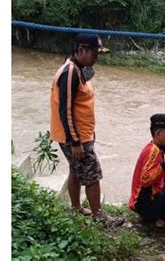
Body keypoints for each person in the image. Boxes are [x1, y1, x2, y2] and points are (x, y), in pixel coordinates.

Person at [50, 33, 124, 227]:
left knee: (75, 171)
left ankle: (77, 208)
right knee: (93, 175)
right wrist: (75, 142)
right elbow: (65, 110)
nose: (96, 58)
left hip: (80, 135)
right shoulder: (70, 72)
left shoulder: (76, 69)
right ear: (81, 50)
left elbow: (80, 106)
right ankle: (99, 216)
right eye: (94, 53)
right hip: (75, 138)